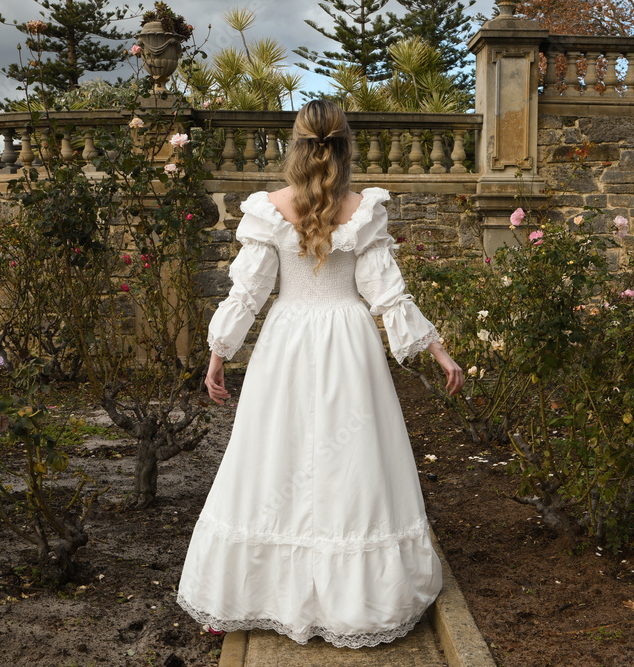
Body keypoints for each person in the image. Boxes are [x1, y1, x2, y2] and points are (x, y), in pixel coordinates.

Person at [175, 99, 464, 649]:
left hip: (286, 342)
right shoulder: (363, 208)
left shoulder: (268, 208)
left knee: (271, 457)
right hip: (348, 344)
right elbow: (388, 296)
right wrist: (440, 352)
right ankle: (353, 598)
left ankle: (251, 590)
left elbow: (249, 293)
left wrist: (219, 354)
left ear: (297, 144)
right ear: (345, 145)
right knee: (350, 461)